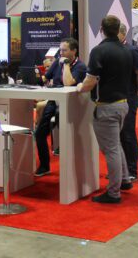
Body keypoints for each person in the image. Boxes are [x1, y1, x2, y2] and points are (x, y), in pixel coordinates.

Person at [78, 15, 133, 204]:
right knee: (115, 145)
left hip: (106, 107)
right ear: (118, 29)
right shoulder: (126, 50)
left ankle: (114, 192)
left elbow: (90, 80)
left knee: (110, 149)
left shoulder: (99, 51)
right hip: (123, 104)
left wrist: (80, 88)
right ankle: (124, 180)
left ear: (101, 29)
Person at [34, 38, 87, 176]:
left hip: (71, 103)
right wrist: (36, 76)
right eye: (60, 50)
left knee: (65, 133)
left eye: (64, 50)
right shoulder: (57, 62)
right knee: (39, 133)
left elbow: (68, 83)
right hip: (54, 100)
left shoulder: (80, 66)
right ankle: (45, 166)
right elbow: (46, 78)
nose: (61, 53)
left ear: (74, 51)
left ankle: (70, 168)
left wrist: (67, 65)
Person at [118, 24, 138, 181]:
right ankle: (120, 170)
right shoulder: (113, 50)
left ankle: (131, 170)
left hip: (129, 97)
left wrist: (136, 89)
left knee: (128, 134)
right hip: (116, 97)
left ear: (123, 34)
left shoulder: (132, 50)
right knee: (118, 136)